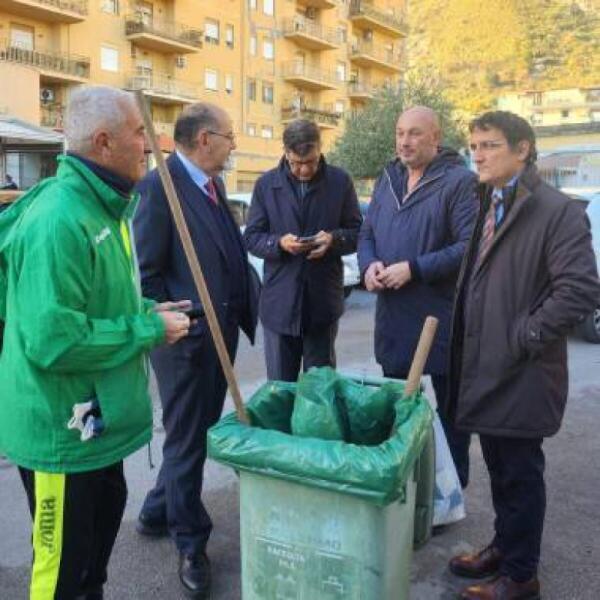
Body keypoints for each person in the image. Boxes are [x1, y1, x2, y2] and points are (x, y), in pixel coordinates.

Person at [0, 86, 190, 600]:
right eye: (138, 134)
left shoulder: (105, 206)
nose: (148, 146)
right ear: (104, 143)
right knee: (60, 573)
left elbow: (94, 305)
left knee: (91, 565)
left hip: (94, 426)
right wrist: (149, 330)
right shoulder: (61, 218)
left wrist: (147, 311)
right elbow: (52, 341)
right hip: (61, 436)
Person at [446, 111, 600, 599]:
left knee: (520, 473)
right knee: (500, 468)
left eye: (489, 145)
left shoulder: (557, 211)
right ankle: (503, 546)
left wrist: (523, 335)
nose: (478, 154)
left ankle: (520, 575)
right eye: (474, 145)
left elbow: (579, 291)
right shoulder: (488, 199)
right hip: (487, 366)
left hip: (523, 370)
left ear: (523, 149)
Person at [133, 103, 259, 599]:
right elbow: (145, 275)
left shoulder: (212, 185)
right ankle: (190, 542)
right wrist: (178, 323)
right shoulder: (157, 188)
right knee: (186, 441)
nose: (233, 145)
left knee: (193, 435)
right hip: (185, 343)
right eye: (229, 137)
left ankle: (157, 507)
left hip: (219, 337)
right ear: (205, 139)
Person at [357, 106, 477, 487]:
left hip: (441, 319)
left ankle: (449, 490)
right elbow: (367, 233)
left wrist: (415, 268)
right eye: (399, 133)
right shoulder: (388, 177)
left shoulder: (460, 182)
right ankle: (405, 483)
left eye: (414, 134)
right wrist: (369, 264)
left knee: (451, 411)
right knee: (398, 404)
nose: (404, 142)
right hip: (393, 316)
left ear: (436, 138)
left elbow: (468, 246)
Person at [243, 119, 362, 381]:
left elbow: (357, 233)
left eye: (311, 161)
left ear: (320, 149)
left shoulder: (340, 182)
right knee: (279, 391)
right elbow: (252, 238)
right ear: (286, 153)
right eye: (297, 163)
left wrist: (333, 239)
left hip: (322, 304)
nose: (305, 170)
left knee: (319, 393)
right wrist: (279, 243)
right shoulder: (266, 185)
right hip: (279, 305)